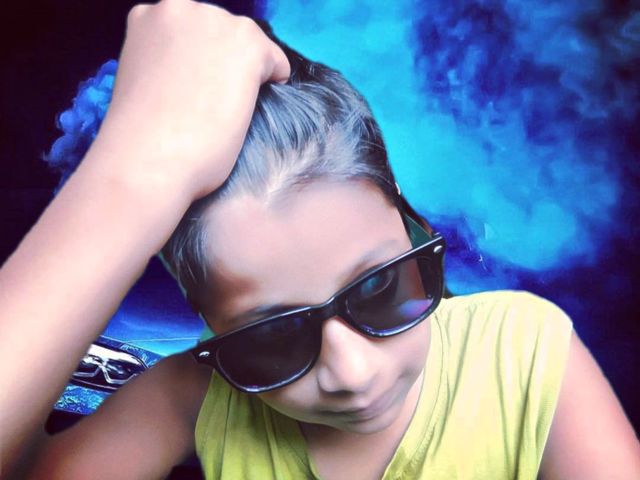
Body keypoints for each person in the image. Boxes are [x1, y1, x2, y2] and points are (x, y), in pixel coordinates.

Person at [1, 1, 639, 478]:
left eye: (384, 287)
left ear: (408, 221)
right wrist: (125, 185)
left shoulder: (524, 352)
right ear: (206, 320)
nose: (352, 373)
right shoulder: (187, 397)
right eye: (270, 340)